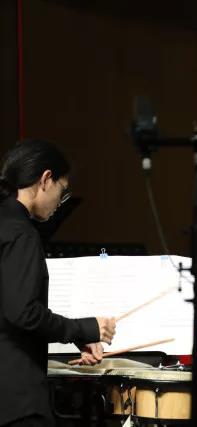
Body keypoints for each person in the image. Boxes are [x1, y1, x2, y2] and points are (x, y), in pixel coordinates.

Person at [0, 140, 117, 427]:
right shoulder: (22, 234)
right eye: (62, 191)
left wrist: (78, 336)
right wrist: (85, 328)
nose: (59, 203)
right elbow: (24, 312)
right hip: (17, 398)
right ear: (45, 180)